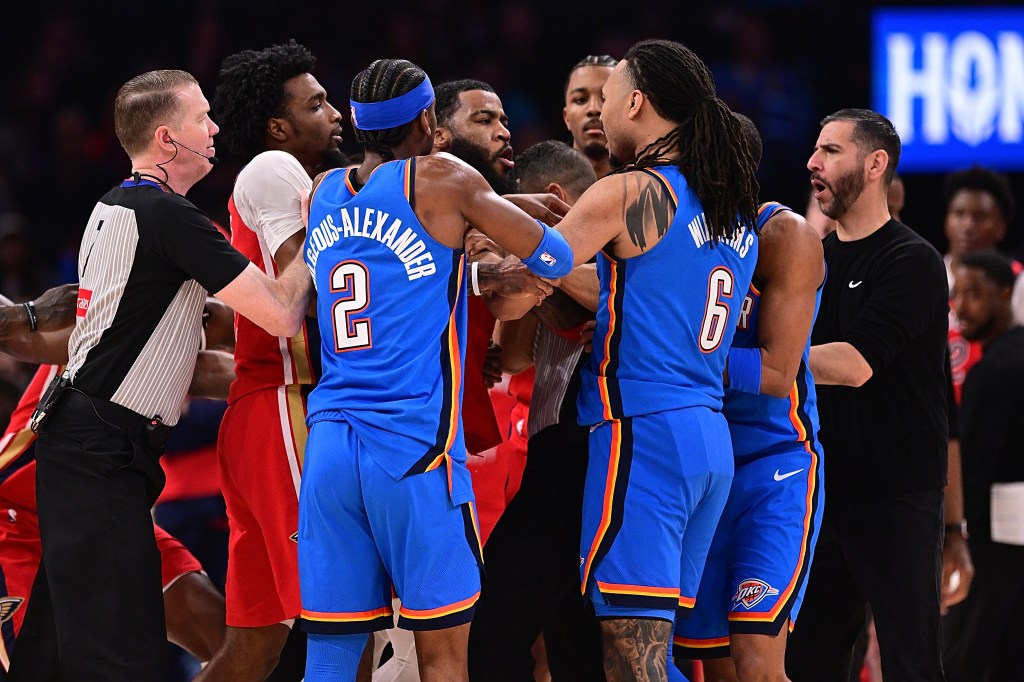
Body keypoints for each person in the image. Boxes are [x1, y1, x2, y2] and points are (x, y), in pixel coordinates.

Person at [9, 69, 314, 681]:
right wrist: (325, 225)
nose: (216, 129)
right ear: (169, 138)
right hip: (97, 452)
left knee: (58, 659)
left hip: (90, 449)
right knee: (121, 658)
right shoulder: (169, 217)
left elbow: (187, 358)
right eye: (203, 118)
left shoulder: (116, 207)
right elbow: (281, 313)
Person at [299, 58, 572, 682]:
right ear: (427, 119)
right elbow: (551, 255)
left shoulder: (324, 191)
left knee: (334, 655)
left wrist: (491, 204)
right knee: (446, 657)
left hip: (332, 449)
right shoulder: (446, 177)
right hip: (411, 451)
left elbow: (399, 265)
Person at [544, 39, 760, 681]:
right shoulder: (730, 208)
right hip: (707, 437)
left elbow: (550, 262)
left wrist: (484, 216)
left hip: (644, 433)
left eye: (606, 97)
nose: (600, 112)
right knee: (656, 658)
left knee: (631, 659)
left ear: (635, 101)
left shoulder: (633, 190)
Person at [785, 109, 949, 682]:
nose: (812, 162)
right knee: (810, 661)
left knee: (911, 663)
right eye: (814, 150)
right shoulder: (812, 259)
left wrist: (746, 363)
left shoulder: (913, 260)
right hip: (821, 489)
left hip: (897, 495)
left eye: (830, 151)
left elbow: (854, 365)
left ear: (875, 164)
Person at [199, 40, 345, 681]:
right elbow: (298, 293)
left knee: (252, 650)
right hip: (286, 404)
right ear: (279, 127)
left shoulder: (292, 176)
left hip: (263, 414)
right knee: (340, 615)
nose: (336, 113)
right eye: (317, 105)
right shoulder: (273, 168)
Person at [674, 115, 825, 682]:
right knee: (706, 664)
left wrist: (668, 354)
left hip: (774, 466)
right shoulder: (674, 235)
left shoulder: (785, 236)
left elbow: (777, 373)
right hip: (702, 464)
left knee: (757, 658)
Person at [468, 140, 603, 681]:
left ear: (552, 198)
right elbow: (516, 351)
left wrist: (535, 251)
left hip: (595, 449)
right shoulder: (553, 260)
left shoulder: (615, 242)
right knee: (576, 636)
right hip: (558, 453)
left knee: (496, 627)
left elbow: (621, 295)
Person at [943, 251, 1024, 681]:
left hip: (992, 542)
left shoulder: (993, 371)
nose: (961, 306)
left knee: (961, 662)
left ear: (1006, 294)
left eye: (976, 294)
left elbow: (971, 465)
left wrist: (954, 535)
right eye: (957, 294)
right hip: (1005, 539)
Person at [942, 166, 1023, 398]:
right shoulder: (925, 277)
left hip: (1000, 404)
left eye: (980, 217)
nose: (967, 225)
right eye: (959, 214)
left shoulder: (1018, 282)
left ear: (1001, 228)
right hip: (939, 417)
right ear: (946, 222)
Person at [563, 55, 619, 180]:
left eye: (605, 98)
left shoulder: (653, 185)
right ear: (566, 117)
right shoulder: (539, 183)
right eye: (580, 100)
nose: (594, 109)